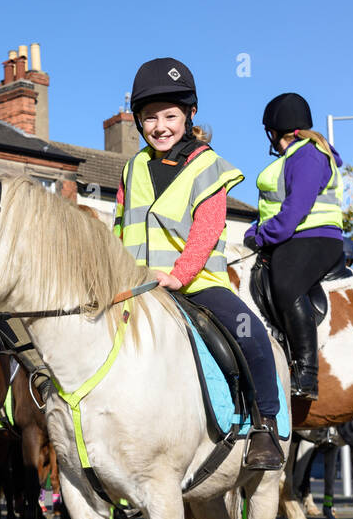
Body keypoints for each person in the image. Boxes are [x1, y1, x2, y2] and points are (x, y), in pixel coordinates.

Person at [115, 58, 284, 469]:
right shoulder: (132, 167)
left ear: (189, 115)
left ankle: (265, 426)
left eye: (170, 116)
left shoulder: (209, 166)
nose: (160, 126)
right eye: (149, 117)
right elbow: (119, 227)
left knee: (252, 334)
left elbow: (206, 231)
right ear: (138, 121)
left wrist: (178, 275)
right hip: (136, 284)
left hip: (197, 282)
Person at [245, 93, 346, 401]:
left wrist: (262, 236)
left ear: (273, 132)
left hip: (315, 237)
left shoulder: (308, 156)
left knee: (286, 283)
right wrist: (254, 230)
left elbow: (294, 211)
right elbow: (273, 209)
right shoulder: (293, 157)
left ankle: (306, 373)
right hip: (295, 235)